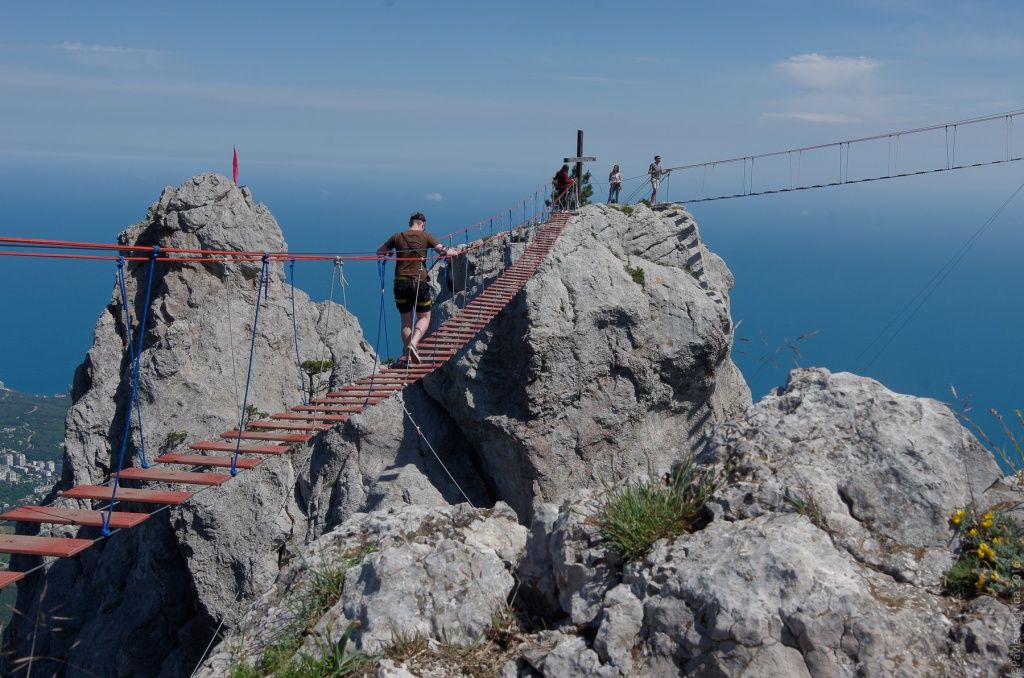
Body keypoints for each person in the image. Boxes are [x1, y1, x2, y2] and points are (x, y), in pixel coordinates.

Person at [376, 212, 456, 364]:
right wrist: (455, 252)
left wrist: (390, 252)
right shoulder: (426, 236)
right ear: (423, 224)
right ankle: (414, 343)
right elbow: (442, 250)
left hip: (401, 284)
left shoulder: (397, 236)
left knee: (406, 323)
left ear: (410, 223)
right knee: (424, 317)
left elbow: (379, 251)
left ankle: (408, 357)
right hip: (420, 283)